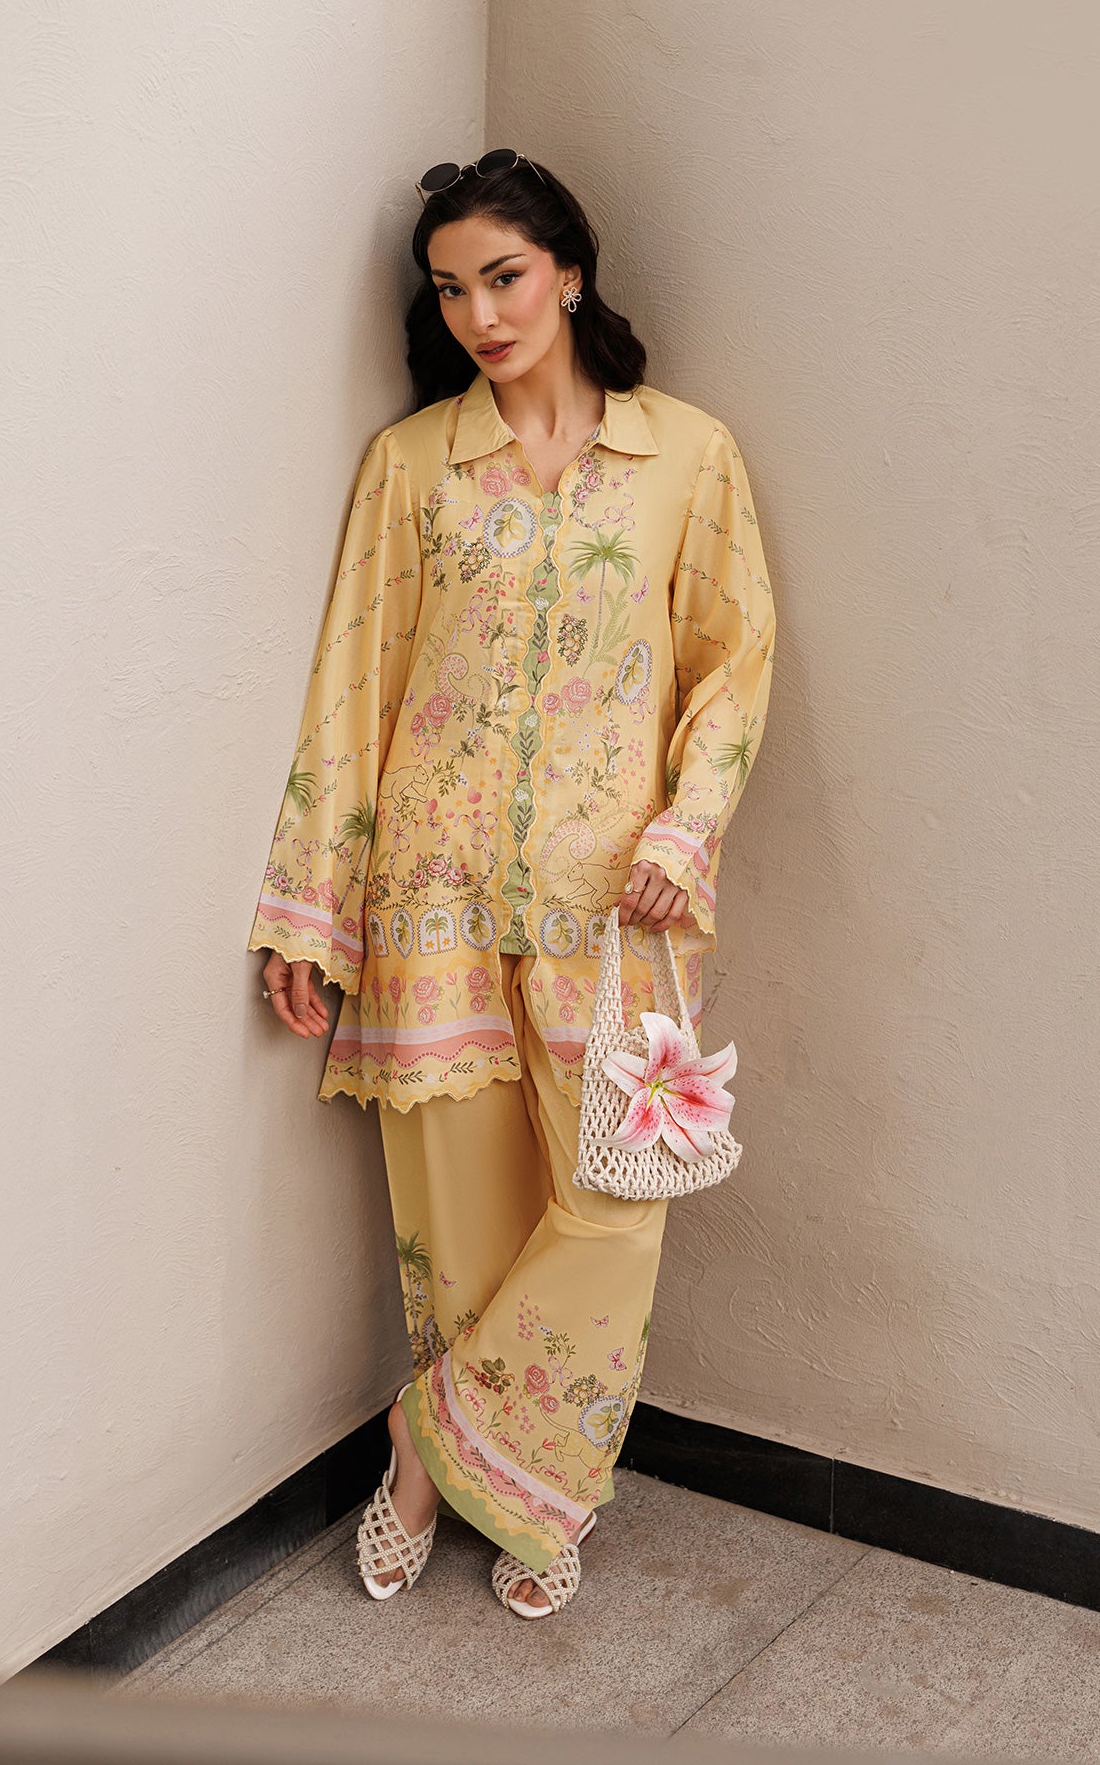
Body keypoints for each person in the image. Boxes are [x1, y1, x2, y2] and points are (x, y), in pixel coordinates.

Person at [249, 149, 776, 1617]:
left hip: (619, 912)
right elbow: (356, 685)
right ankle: (478, 1489)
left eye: (504, 277)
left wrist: (687, 827)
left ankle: (446, 1448)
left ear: (569, 274)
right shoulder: (413, 464)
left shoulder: (687, 456)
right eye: (450, 290)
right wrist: (311, 906)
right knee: (463, 1224)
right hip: (429, 898)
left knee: (618, 1201)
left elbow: (733, 666)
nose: (479, 314)